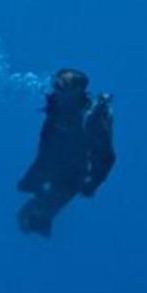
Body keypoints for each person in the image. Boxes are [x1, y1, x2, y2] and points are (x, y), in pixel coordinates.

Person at [15, 68, 116, 238]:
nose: (56, 88)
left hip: (71, 175)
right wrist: (34, 175)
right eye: (56, 83)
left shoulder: (91, 118)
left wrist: (93, 184)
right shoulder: (57, 107)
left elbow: (107, 157)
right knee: (24, 210)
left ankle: (41, 226)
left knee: (34, 217)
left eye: (62, 85)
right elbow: (46, 143)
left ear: (76, 91)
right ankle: (39, 222)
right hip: (49, 163)